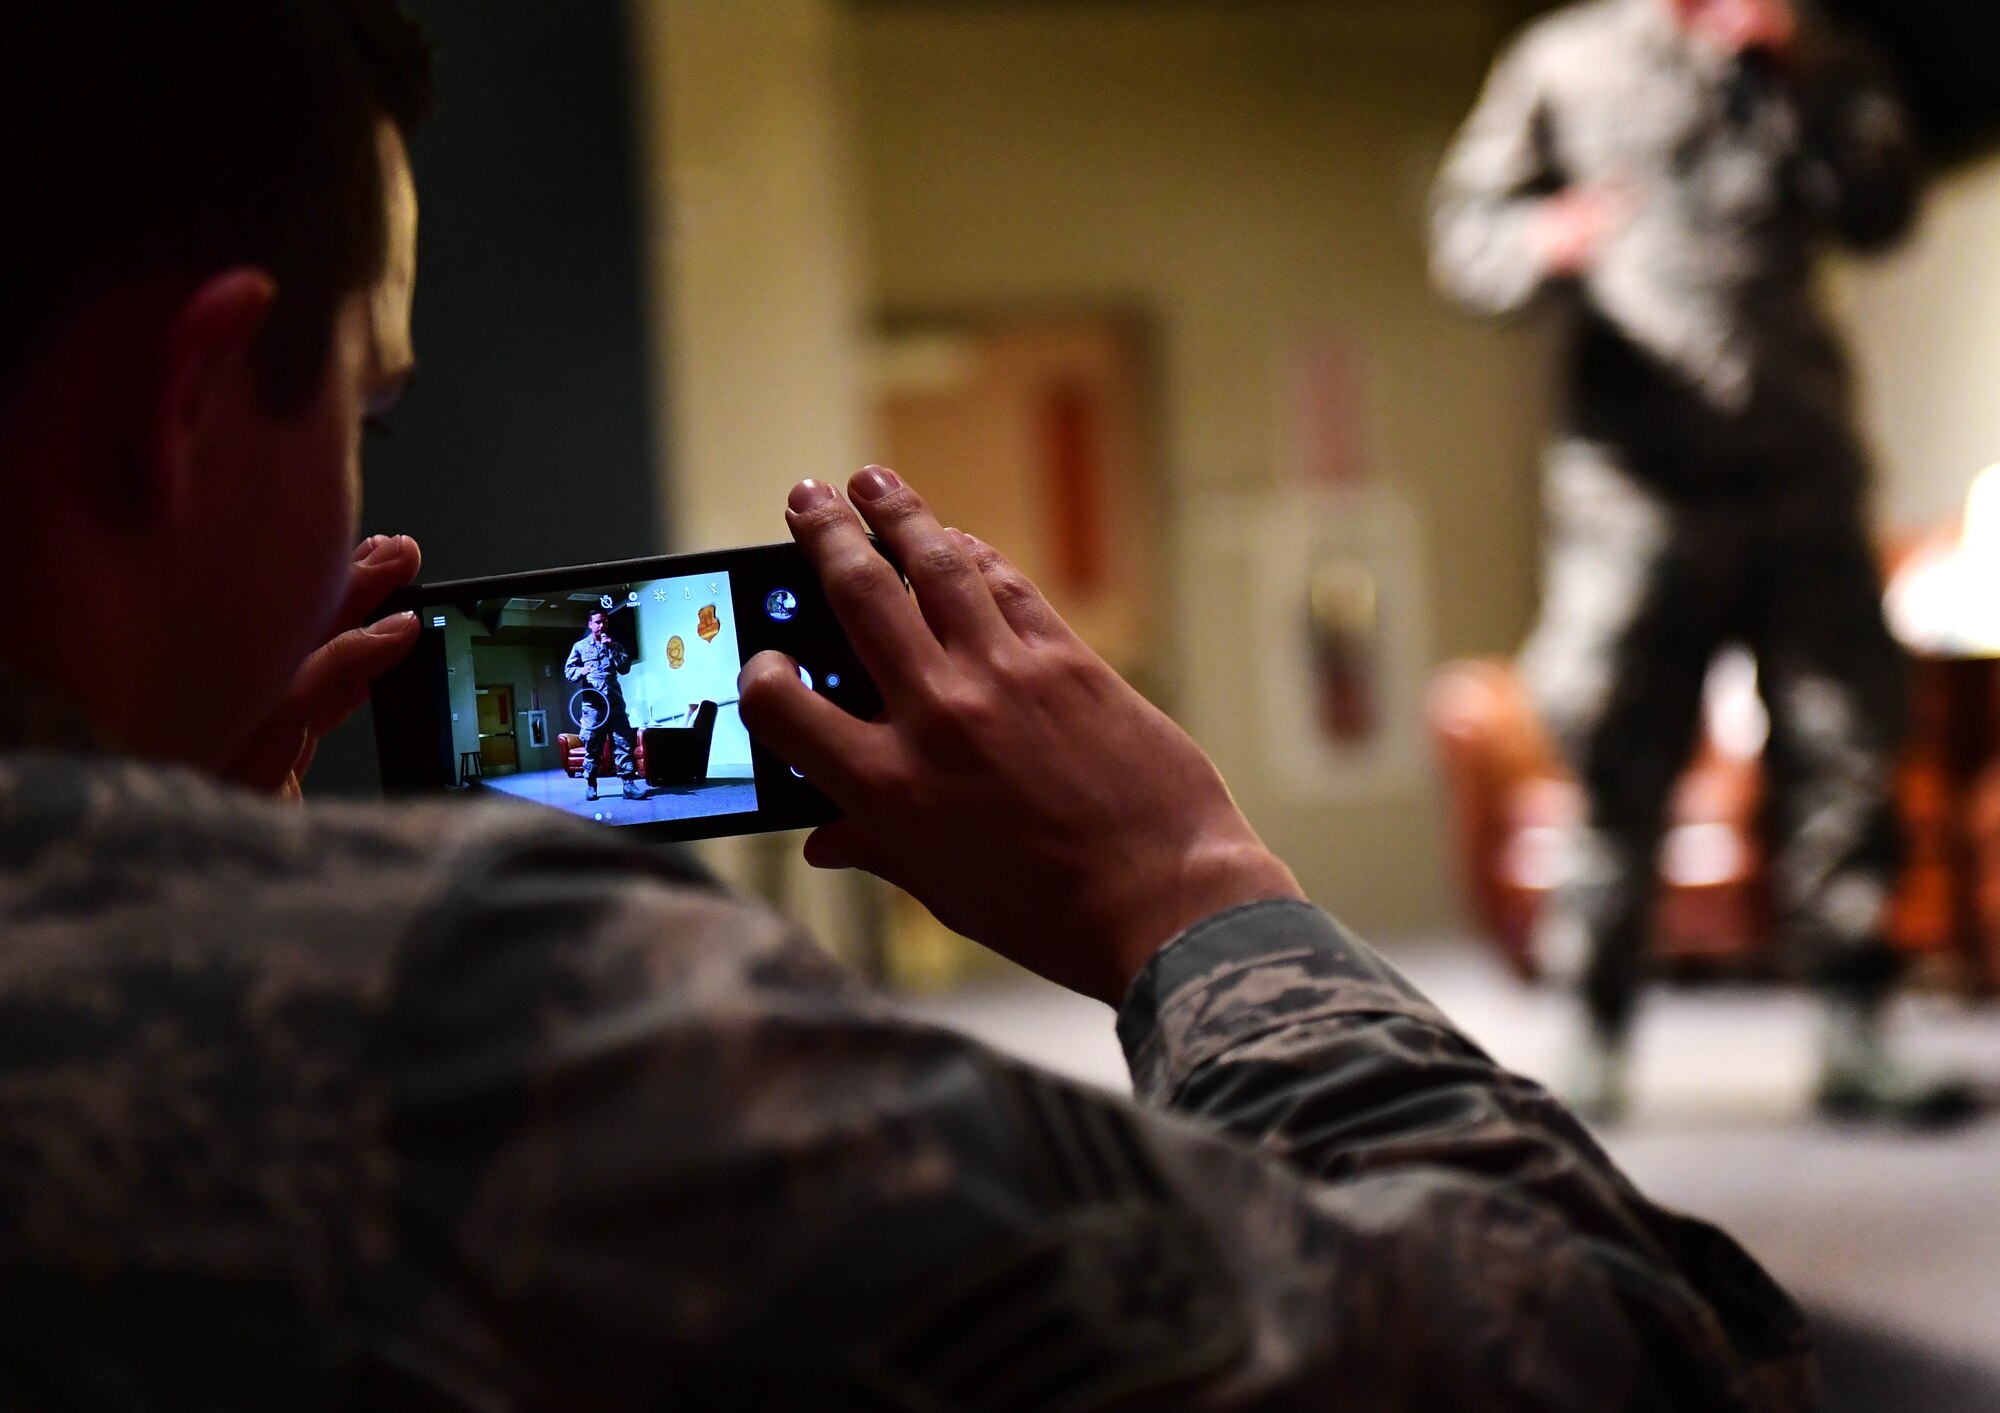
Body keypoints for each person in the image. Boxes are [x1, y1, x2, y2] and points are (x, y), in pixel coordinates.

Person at [0, 0, 1814, 1406]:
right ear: (190, 398)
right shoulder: (460, 1015)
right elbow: (1624, 1350)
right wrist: (1191, 887)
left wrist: (163, 831)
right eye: (359, 410)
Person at [1430, 0, 1962, 1122]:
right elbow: (1466, 233)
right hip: (1637, 486)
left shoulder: (1822, 58)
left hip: (1800, 467)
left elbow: (1881, 217)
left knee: (1842, 747)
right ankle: (1594, 1026)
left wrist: (1799, 82)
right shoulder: (1563, 62)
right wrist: (1541, 243)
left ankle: (1854, 1027)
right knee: (1615, 748)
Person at [565, 607, 642, 801]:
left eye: (605, 622)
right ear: (590, 625)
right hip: (593, 708)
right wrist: (581, 671)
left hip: (615, 704)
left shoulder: (615, 645)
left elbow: (625, 668)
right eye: (598, 622)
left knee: (623, 743)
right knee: (592, 746)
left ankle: (628, 785)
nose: (602, 625)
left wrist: (613, 648)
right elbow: (569, 671)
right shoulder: (580, 647)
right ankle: (591, 785)